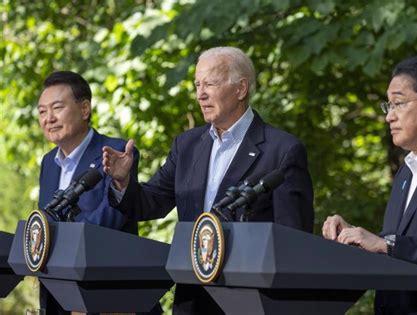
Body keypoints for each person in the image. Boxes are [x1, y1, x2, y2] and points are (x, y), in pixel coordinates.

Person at [103, 46, 314, 314]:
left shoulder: (282, 150)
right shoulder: (187, 145)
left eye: (210, 84)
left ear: (241, 89)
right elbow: (150, 203)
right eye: (197, 85)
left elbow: (293, 239)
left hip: (250, 300)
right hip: (192, 298)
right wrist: (122, 182)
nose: (200, 94)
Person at [322, 56, 417, 314]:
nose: (389, 117)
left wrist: (387, 245)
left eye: (399, 104)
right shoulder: (406, 171)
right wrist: (360, 239)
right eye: (388, 106)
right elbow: (403, 246)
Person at [37, 71, 139, 314]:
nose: (48, 118)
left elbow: (110, 220)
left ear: (84, 109)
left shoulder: (115, 152)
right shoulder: (48, 162)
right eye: (42, 111)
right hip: (57, 295)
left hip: (103, 296)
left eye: (57, 108)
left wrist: (57, 244)